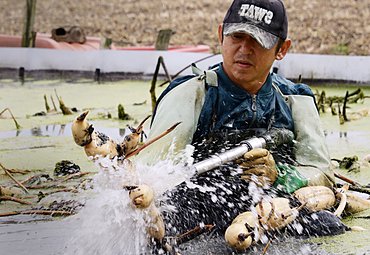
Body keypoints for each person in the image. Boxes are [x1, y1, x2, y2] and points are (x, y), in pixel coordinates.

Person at [133, 0, 339, 251]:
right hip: (199, 210)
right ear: (221, 35)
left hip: (266, 209)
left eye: (258, 41)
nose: (244, 49)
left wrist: (280, 176)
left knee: (328, 225)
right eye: (237, 37)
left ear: (281, 49)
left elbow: (322, 173)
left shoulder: (295, 100)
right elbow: (154, 176)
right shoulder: (191, 94)